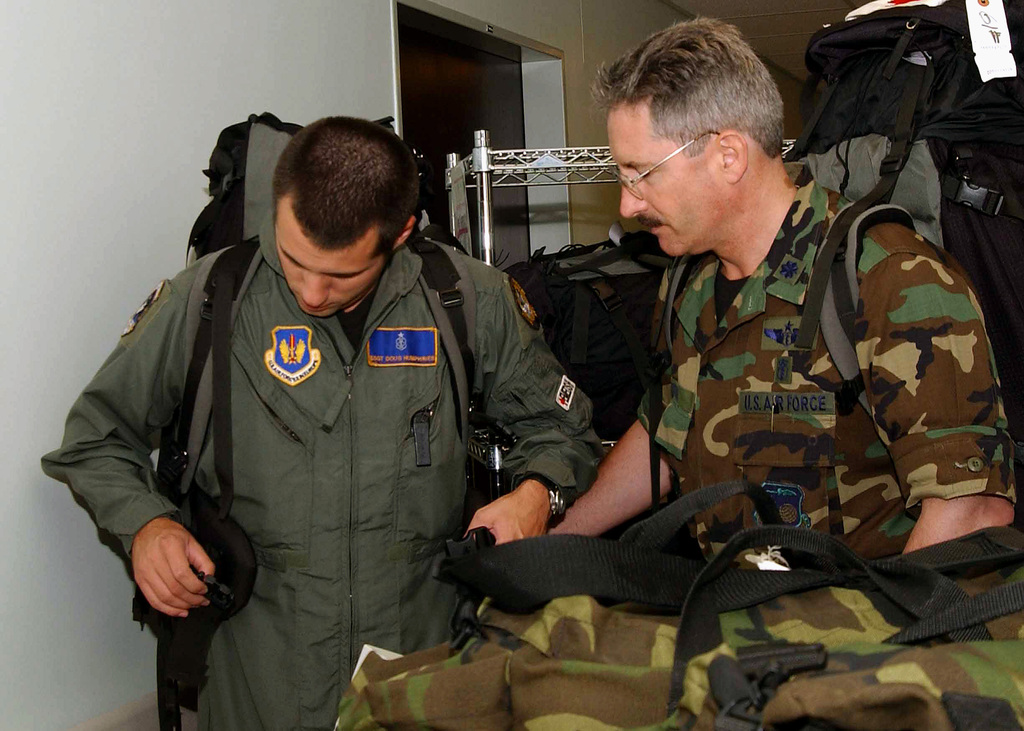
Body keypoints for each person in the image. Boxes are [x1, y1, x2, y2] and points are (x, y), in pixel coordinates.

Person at [42, 116, 602, 729]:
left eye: (339, 275)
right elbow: (94, 438)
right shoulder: (209, 298)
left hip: (425, 666)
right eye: (291, 258)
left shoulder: (469, 300)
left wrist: (536, 495)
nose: (309, 293)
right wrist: (145, 526)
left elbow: (563, 428)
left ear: (400, 236)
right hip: (261, 672)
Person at [552, 19, 1015, 558]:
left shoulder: (891, 279)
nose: (627, 206)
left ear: (729, 156)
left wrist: (882, 643)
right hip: (728, 625)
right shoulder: (689, 287)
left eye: (641, 174)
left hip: (854, 635)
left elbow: (970, 510)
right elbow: (664, 432)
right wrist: (556, 543)